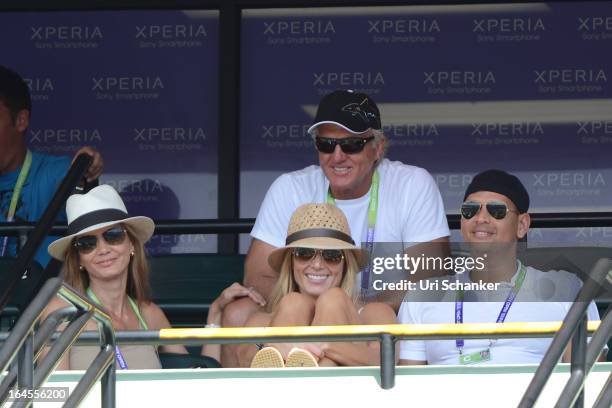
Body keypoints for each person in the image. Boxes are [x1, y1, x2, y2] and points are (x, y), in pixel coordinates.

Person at [222, 89, 449, 366]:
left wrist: (343, 304)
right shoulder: (290, 186)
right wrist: (313, 310)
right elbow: (259, 278)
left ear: (378, 147)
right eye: (326, 144)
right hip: (298, 314)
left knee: (338, 303)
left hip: (369, 316)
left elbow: (429, 281)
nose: (337, 156)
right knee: (242, 311)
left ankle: (304, 366)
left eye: (352, 144)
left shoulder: (412, 183)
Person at [398, 169, 605, 365]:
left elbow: (587, 384)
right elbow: (407, 387)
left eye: (496, 210)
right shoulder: (422, 296)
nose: (481, 218)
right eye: (470, 210)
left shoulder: (565, 290)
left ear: (522, 225)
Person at [42, 185, 221, 369]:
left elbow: (196, 375)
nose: (103, 249)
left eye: (113, 235)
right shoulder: (63, 312)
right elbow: (53, 394)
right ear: (79, 258)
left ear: (132, 245)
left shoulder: (149, 313)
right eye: (87, 243)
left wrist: (215, 319)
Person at [236, 203, 396, 368]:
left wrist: (321, 343)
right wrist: (273, 346)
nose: (318, 264)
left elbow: (387, 361)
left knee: (334, 299)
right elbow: (243, 363)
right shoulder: (261, 321)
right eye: (304, 253)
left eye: (331, 255)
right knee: (294, 303)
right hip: (282, 391)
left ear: (345, 264)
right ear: (290, 262)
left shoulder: (373, 313)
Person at [0, 64, 103, 266]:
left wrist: (86, 170)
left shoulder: (56, 173)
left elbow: (92, 227)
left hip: (43, 296)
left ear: (21, 120)